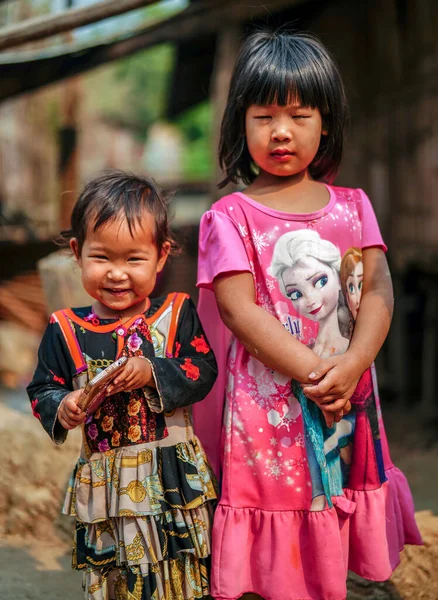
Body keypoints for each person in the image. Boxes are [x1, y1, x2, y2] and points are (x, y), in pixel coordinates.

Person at [193, 30, 421, 600]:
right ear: (238, 125)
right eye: (263, 114)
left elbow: (377, 291)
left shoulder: (354, 207)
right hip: (269, 413)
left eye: (299, 114)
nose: (280, 131)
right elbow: (237, 307)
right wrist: (315, 372)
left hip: (348, 395)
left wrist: (353, 364)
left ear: (327, 123)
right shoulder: (231, 216)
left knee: (338, 502)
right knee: (279, 519)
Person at [27, 171, 218, 600]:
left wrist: (153, 371)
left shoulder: (177, 315)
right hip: (108, 487)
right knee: (119, 576)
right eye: (102, 258)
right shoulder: (66, 330)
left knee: (181, 569)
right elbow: (43, 388)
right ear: (77, 253)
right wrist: (64, 404)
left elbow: (203, 369)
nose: (117, 274)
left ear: (161, 255)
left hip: (173, 477)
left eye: (133, 259)